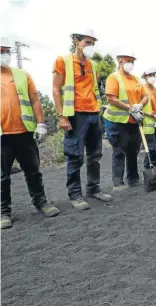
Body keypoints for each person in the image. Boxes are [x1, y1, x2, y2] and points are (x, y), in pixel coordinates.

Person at [1, 37, 60, 229]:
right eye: (1, 50)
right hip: (2, 137)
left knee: (33, 171)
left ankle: (41, 202)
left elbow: (34, 100)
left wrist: (41, 123)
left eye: (6, 50)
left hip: (24, 132)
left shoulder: (21, 74)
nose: (5, 55)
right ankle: (4, 212)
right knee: (2, 176)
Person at [52, 28, 113, 210]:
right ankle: (75, 194)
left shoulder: (93, 65)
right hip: (75, 115)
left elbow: (94, 89)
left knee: (95, 155)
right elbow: (56, 90)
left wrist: (99, 109)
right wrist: (62, 116)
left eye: (92, 43)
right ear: (76, 41)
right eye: (87, 42)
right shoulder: (63, 61)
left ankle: (93, 189)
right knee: (75, 156)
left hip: (94, 114)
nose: (90, 46)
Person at [103, 49, 148, 190]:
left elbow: (145, 96)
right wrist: (129, 108)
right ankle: (118, 182)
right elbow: (111, 98)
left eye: (132, 61)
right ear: (120, 60)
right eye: (128, 60)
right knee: (119, 150)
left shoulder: (135, 79)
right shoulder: (113, 77)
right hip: (117, 122)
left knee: (133, 150)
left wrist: (140, 105)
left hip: (134, 121)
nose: (130, 63)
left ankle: (133, 179)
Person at [141, 67, 156, 169]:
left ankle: (154, 166)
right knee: (151, 148)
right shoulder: (141, 89)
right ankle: (147, 168)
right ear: (145, 77)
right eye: (150, 75)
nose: (152, 77)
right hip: (147, 123)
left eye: (153, 75)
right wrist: (150, 114)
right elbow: (139, 107)